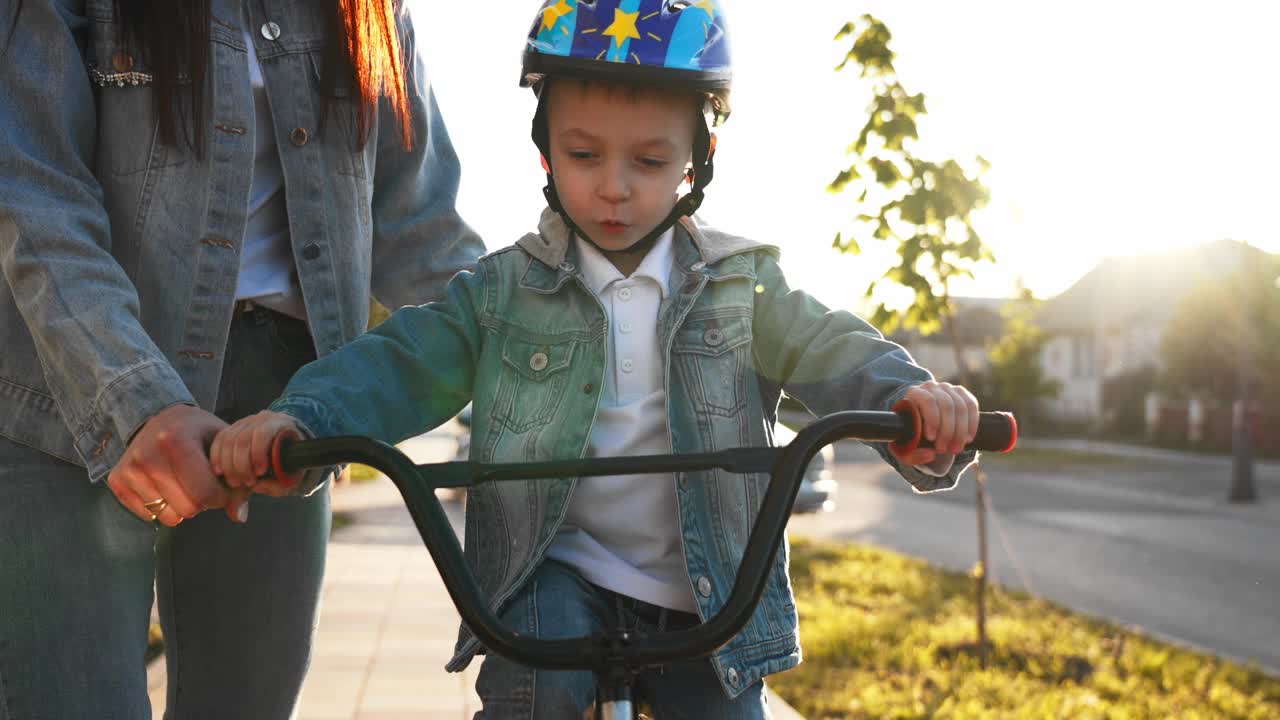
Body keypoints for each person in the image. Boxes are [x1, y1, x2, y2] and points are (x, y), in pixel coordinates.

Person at [212, 1, 979, 716]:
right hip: (556, 570)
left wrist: (912, 401)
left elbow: (834, 347)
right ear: (545, 148)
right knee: (535, 685)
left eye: (648, 162)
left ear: (697, 159)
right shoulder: (502, 293)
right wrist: (298, 418)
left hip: (709, 590)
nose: (613, 189)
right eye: (584, 154)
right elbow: (400, 362)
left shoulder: (744, 287)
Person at [0, 0, 483, 717]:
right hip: (74, 387)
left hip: (279, 417)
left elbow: (424, 235)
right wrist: (136, 402)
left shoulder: (370, 11)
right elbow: (35, 193)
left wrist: (557, 339)